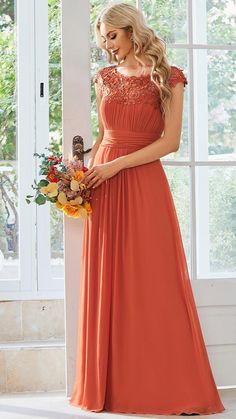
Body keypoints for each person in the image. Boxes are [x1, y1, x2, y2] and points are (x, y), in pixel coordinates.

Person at [69, 2, 225, 416]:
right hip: (103, 183)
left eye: (112, 36)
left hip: (140, 181)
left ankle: (168, 385)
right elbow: (105, 134)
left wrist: (117, 163)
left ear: (131, 29)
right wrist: (79, 174)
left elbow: (170, 143)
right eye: (102, 38)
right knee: (109, 280)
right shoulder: (103, 78)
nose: (107, 45)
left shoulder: (169, 77)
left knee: (153, 281)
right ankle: (112, 388)